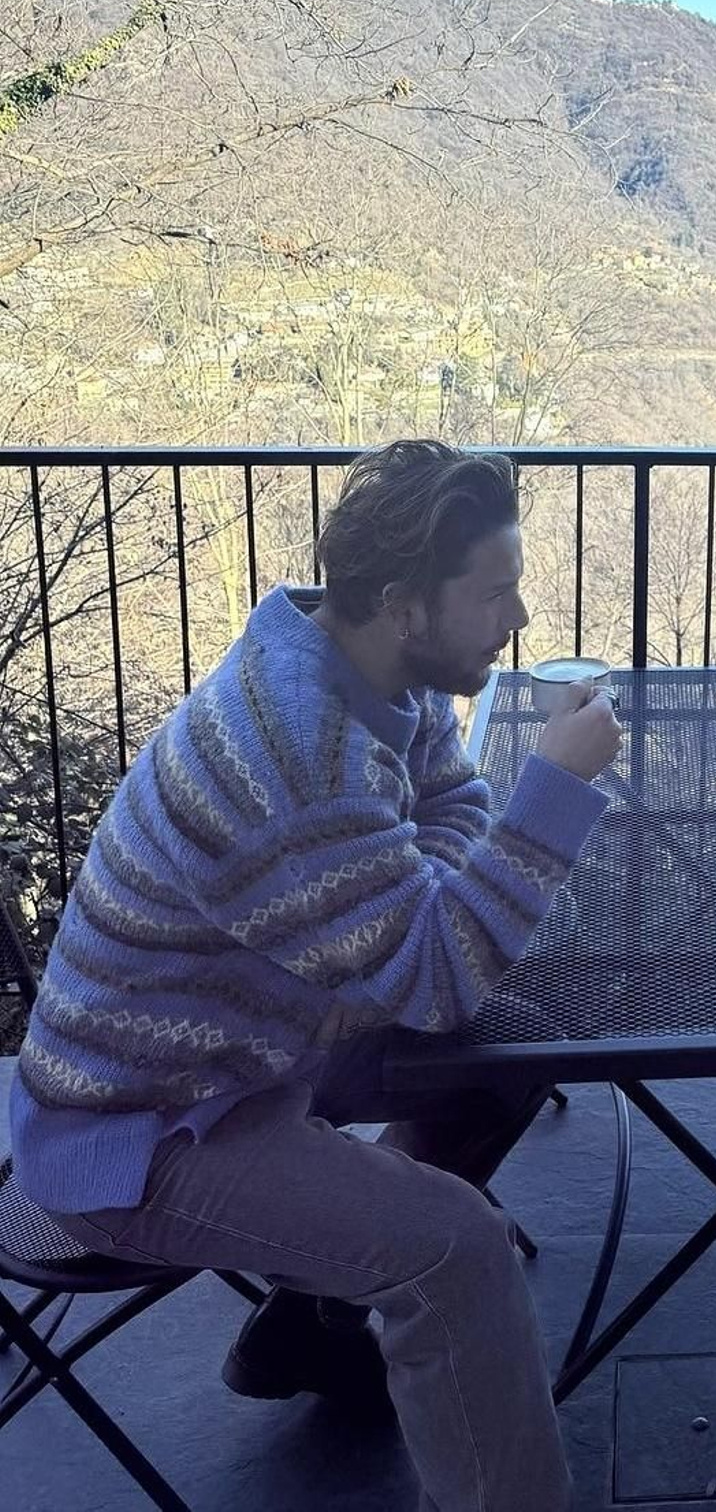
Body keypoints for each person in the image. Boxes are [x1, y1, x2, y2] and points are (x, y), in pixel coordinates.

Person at [9, 438, 621, 1512]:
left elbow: (450, 801)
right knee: (460, 1252)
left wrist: (401, 921)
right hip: (141, 1129)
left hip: (252, 1046)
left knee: (508, 1049)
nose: (519, 617)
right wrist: (555, 793)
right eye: (495, 593)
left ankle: (315, 1321)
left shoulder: (370, 671)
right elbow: (438, 973)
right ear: (405, 606)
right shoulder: (300, 748)